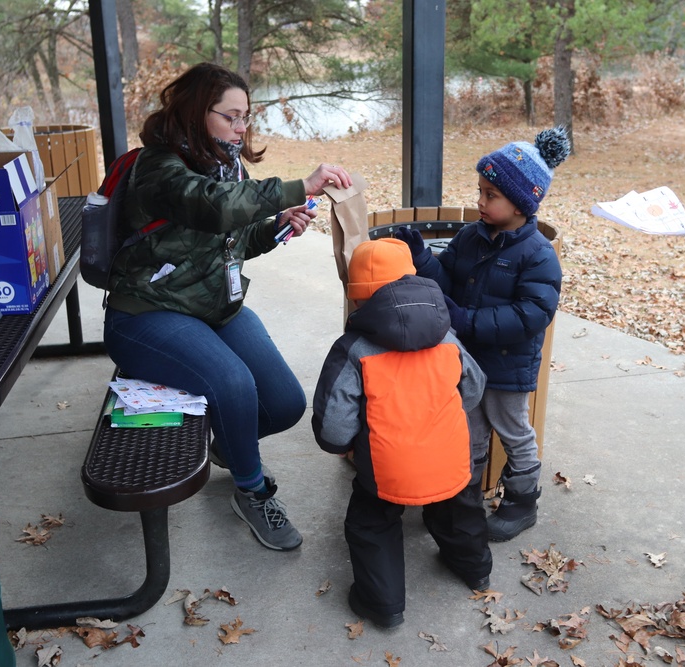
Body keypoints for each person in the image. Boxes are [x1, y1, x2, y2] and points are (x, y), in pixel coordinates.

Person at [102, 62, 352, 552]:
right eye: (231, 117)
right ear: (197, 113)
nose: (241, 129)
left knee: (284, 404)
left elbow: (229, 241)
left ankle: (231, 447)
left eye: (246, 118)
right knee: (233, 383)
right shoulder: (159, 167)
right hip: (147, 313)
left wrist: (275, 227)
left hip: (212, 306)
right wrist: (301, 185)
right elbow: (213, 205)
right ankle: (250, 490)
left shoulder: (226, 165)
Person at [394, 128, 567, 542]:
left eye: (492, 194)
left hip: (508, 366)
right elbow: (448, 278)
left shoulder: (537, 255)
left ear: (523, 202)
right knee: (468, 433)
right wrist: (422, 258)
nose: (480, 201)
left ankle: (522, 504)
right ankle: (462, 501)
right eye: (480, 191)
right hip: (468, 363)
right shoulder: (472, 236)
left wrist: (466, 321)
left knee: (514, 432)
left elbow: (531, 314)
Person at [312, 238, 490, 629]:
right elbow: (474, 387)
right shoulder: (447, 336)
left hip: (387, 467)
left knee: (371, 523)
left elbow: (334, 426)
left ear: (358, 300)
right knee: (459, 508)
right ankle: (475, 569)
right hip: (451, 457)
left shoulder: (354, 349)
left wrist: (346, 446)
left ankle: (383, 605)